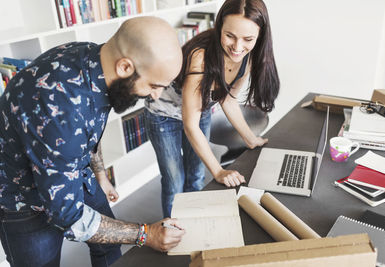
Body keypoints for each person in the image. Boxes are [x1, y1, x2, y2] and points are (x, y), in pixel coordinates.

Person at [0, 16, 185, 267]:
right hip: (22, 201)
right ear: (125, 67)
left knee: (108, 246)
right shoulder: (58, 109)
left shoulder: (94, 57)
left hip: (72, 173)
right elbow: (67, 215)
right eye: (154, 85)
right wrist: (146, 234)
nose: (155, 95)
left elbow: (88, 129)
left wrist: (100, 176)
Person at [145, 0, 280, 218]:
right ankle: (171, 232)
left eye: (247, 39)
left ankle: (193, 222)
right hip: (164, 114)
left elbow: (228, 98)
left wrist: (250, 138)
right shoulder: (200, 56)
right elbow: (190, 125)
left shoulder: (249, 57)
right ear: (219, 27)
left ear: (260, 36)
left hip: (200, 109)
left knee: (196, 174)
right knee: (174, 179)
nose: (237, 47)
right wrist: (218, 171)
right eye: (230, 36)